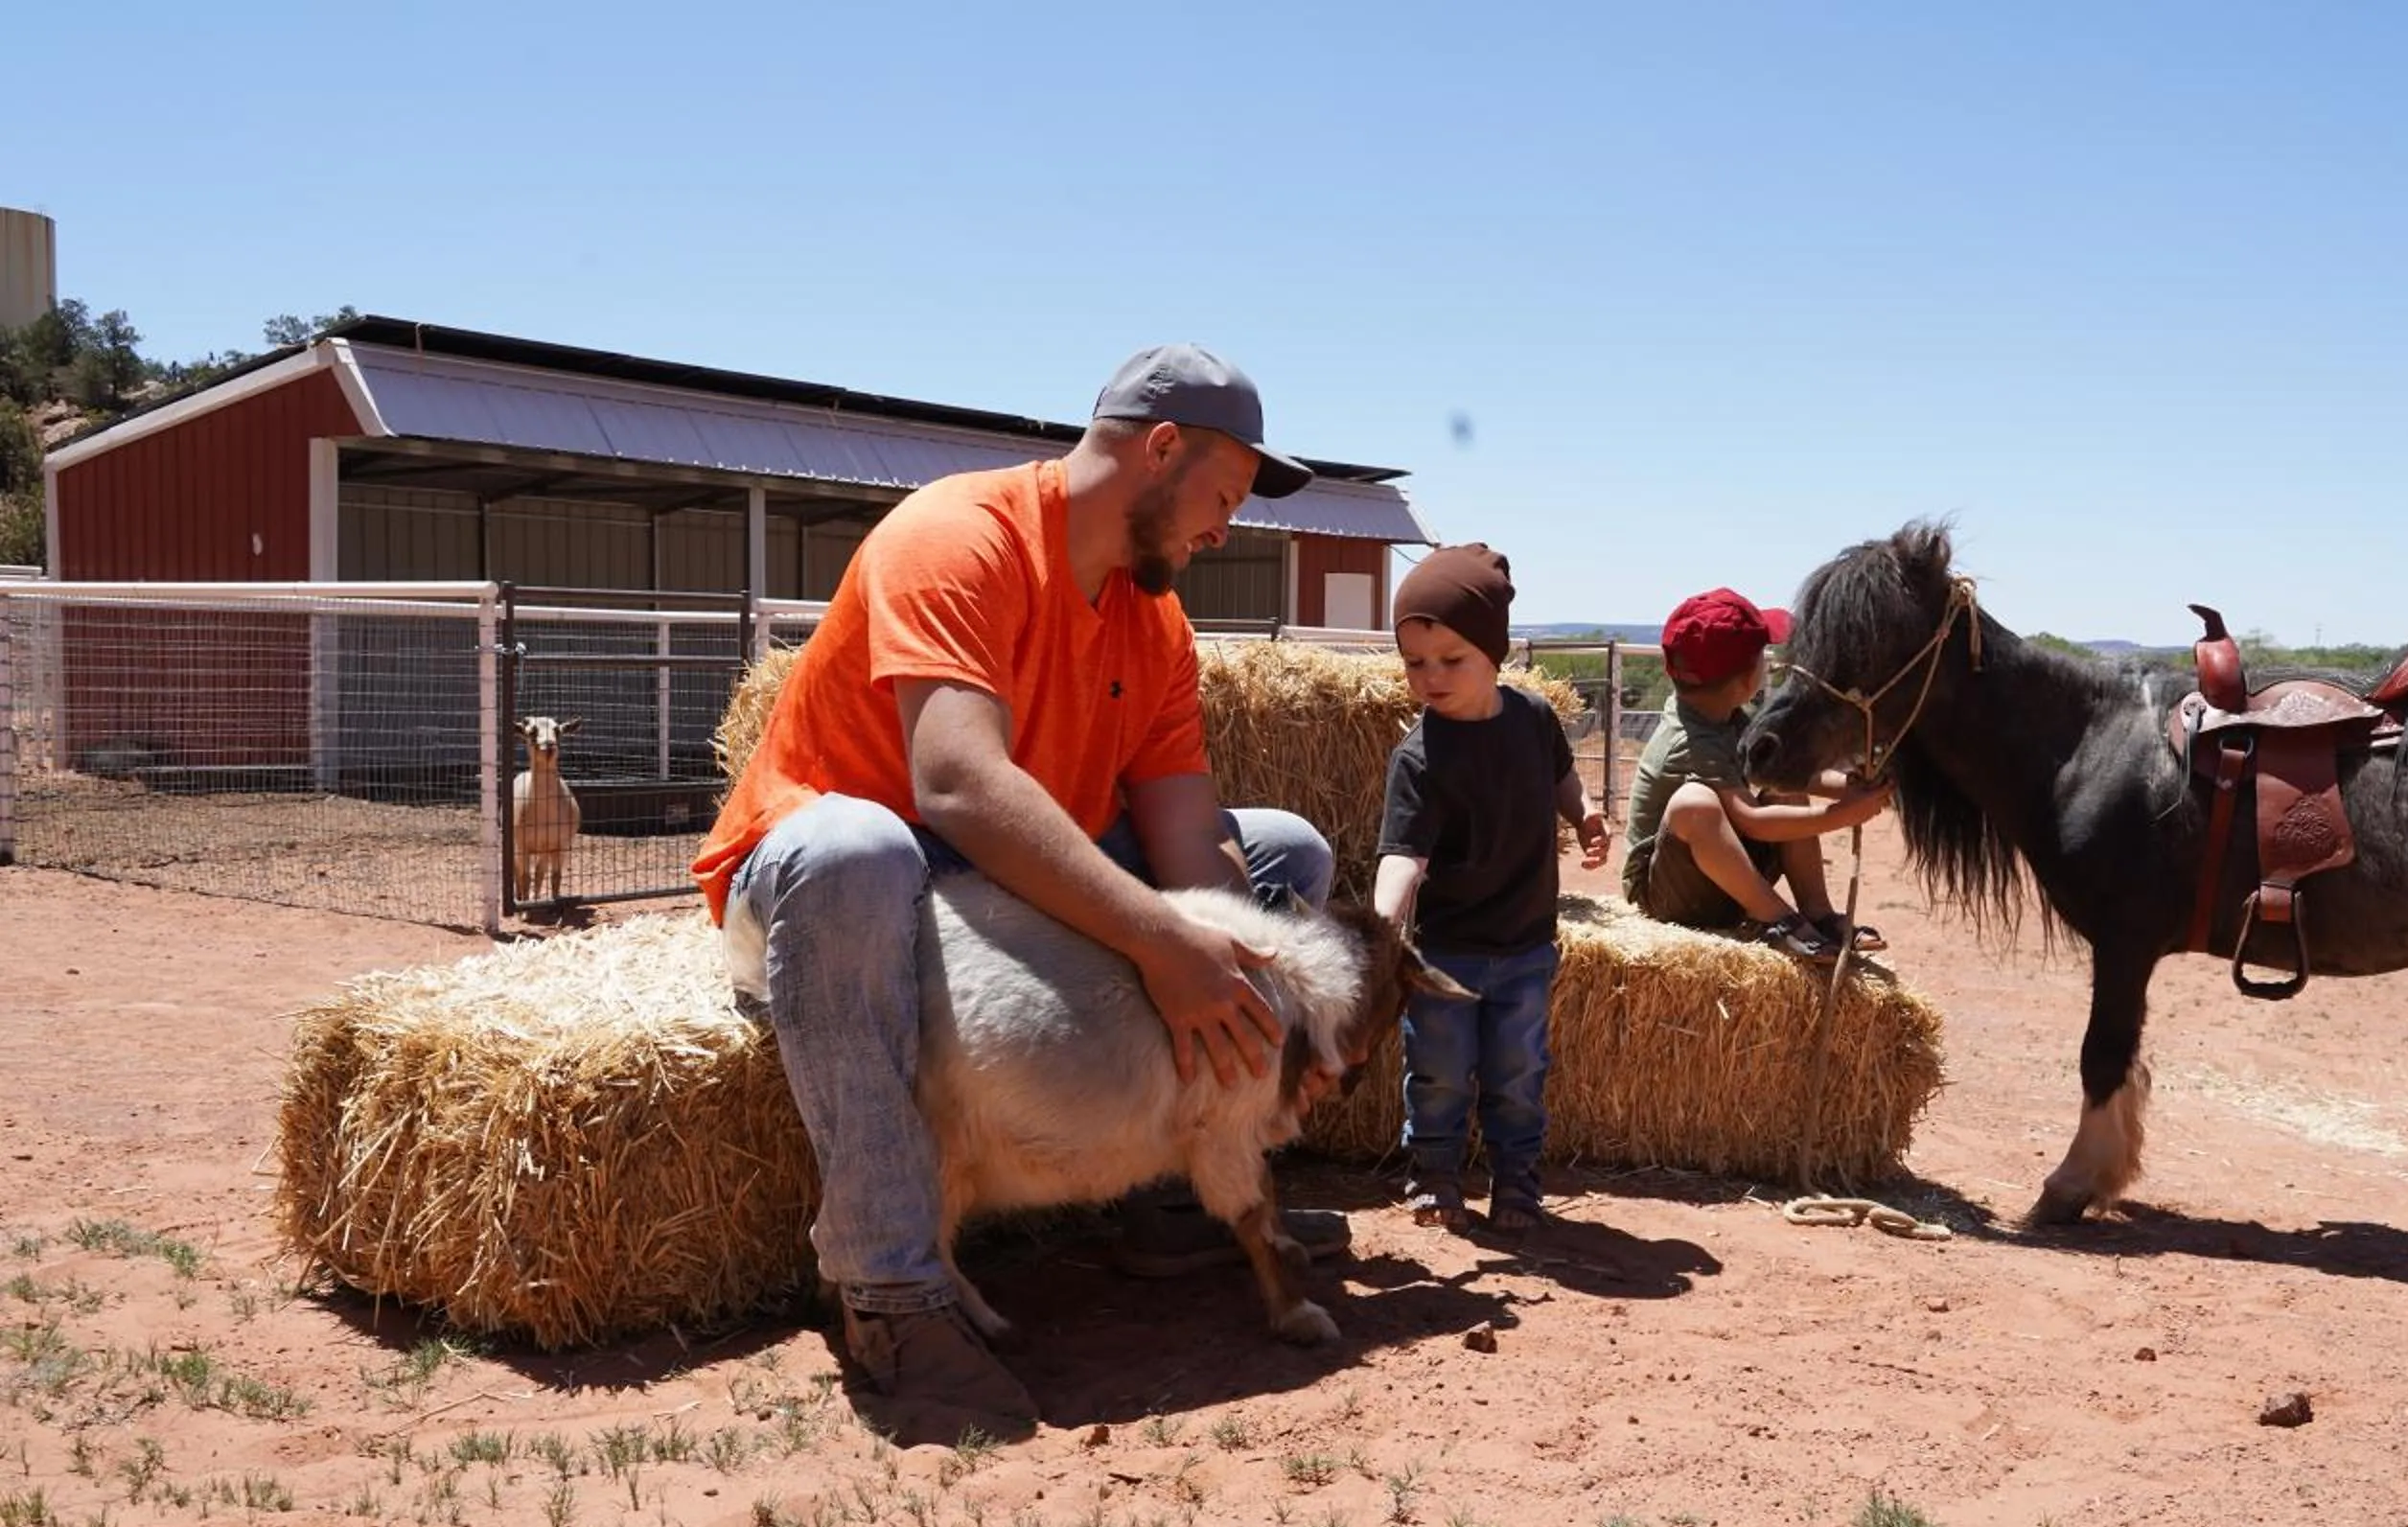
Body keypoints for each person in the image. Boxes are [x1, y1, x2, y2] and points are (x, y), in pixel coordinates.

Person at [692, 343, 1349, 1442]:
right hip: (847, 891)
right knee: (854, 849)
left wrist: (1268, 997)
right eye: (1225, 497)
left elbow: (1190, 838)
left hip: (1000, 891)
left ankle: (1180, 1184)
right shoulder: (959, 535)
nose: (1224, 530)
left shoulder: (1155, 621)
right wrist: (1161, 943)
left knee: (1287, 855)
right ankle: (890, 1286)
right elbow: (956, 783)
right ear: (1161, 448)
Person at [1371, 544, 1607, 1236]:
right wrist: (1381, 924)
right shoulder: (1420, 757)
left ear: (1494, 653)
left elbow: (1561, 774)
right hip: (1445, 953)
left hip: (1527, 944)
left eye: (1451, 660)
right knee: (1439, 1072)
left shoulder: (1533, 718)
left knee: (1518, 1073)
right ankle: (1435, 1175)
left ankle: (1517, 1184)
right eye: (1415, 663)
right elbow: (1404, 853)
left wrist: (1584, 812)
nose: (1431, 677)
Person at [1618, 588, 1893, 962]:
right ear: (1746, 680)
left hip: (1719, 880)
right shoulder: (1691, 740)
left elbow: (1792, 778)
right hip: (1667, 896)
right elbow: (1753, 822)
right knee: (1694, 806)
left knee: (1784, 783)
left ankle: (1818, 914)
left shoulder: (1722, 716)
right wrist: (1843, 814)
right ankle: (1779, 921)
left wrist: (1849, 788)